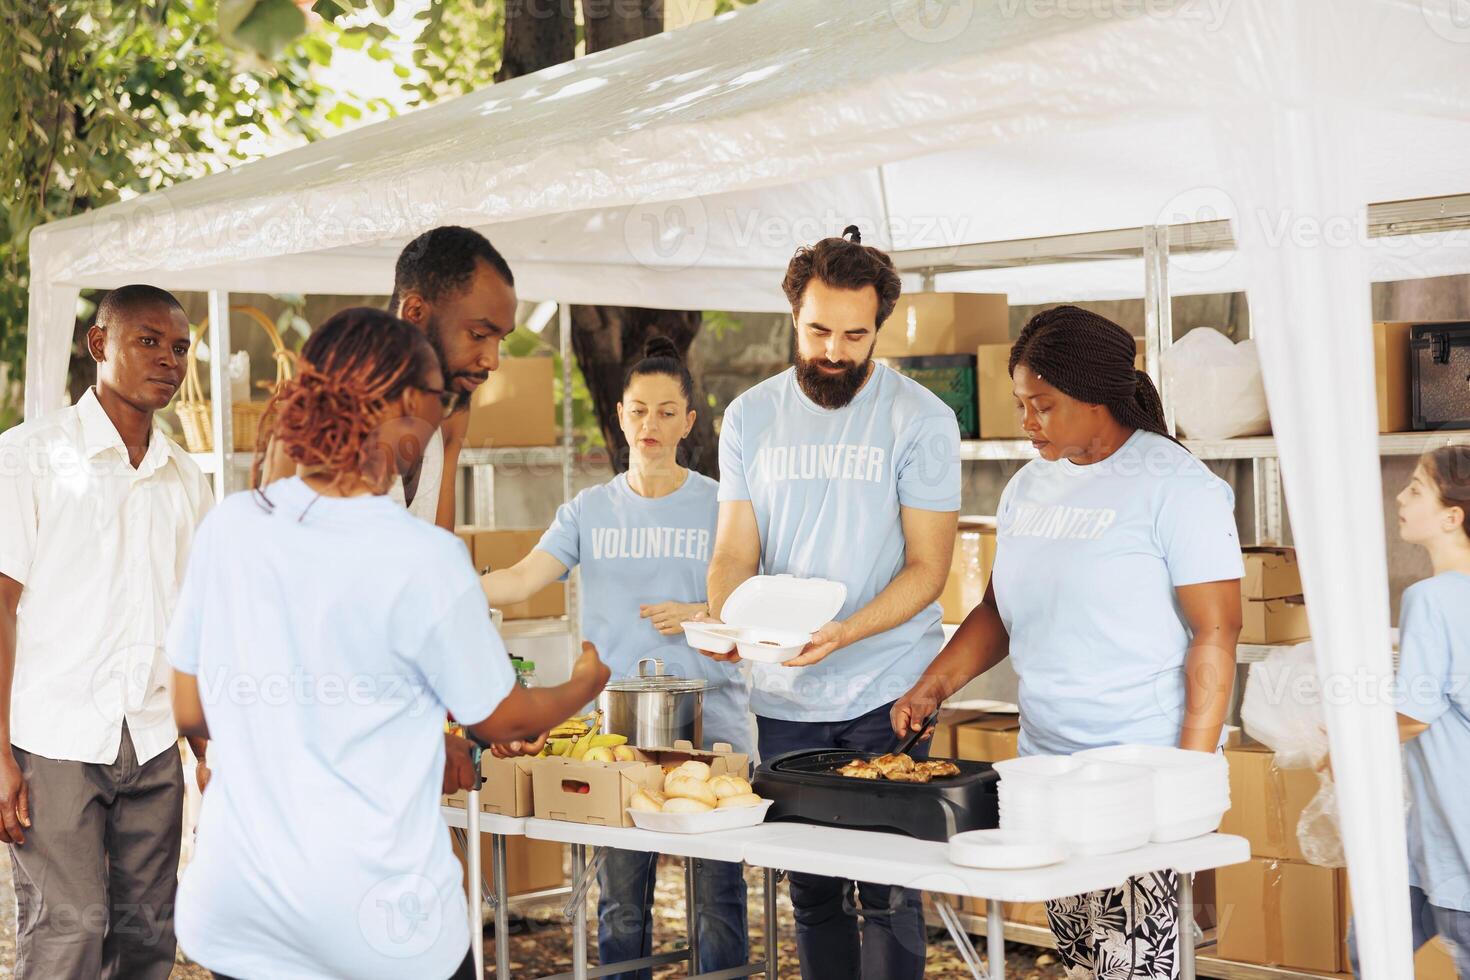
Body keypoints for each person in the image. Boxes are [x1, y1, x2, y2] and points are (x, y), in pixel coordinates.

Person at [166, 308, 610, 980]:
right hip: (374, 923)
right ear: (406, 404)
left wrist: (408, 739)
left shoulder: (230, 526)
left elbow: (191, 710)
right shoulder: (423, 557)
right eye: (441, 398)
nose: (447, 413)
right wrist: (585, 681)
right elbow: (505, 718)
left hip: (241, 911)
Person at [893, 305, 1243, 980]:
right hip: (1047, 775)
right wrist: (932, 684)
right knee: (1084, 961)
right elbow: (1000, 608)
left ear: (1096, 398)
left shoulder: (1176, 486)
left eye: (1042, 406)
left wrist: (1190, 774)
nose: (1027, 423)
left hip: (1139, 779)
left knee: (1135, 968)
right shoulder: (1029, 487)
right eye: (1021, 404)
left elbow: (1217, 630)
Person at [701, 227, 960, 980]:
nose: (836, 351)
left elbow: (927, 569)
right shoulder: (749, 415)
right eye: (819, 330)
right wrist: (730, 621)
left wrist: (844, 633)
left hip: (886, 689)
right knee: (810, 890)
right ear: (792, 315)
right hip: (784, 692)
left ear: (880, 327)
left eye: (856, 333)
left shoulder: (920, 420)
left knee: (886, 891)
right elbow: (732, 552)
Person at [481, 336, 750, 979]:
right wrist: (431, 581)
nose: (649, 424)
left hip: (713, 727)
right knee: (621, 902)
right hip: (620, 733)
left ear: (690, 421)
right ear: (621, 416)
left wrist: (699, 612)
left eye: (665, 411)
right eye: (637, 409)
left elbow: (759, 605)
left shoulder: (725, 506)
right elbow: (520, 581)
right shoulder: (589, 510)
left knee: (718, 899)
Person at [0, 284, 214, 979]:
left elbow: (197, 627)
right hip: (53, 742)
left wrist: (205, 744)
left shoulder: (186, 478)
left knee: (149, 940)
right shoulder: (27, 457)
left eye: (180, 347)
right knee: (68, 938)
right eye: (148, 341)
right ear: (101, 345)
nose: (169, 360)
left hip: (153, 742)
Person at [260, 225, 518, 531]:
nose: (493, 360)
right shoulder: (321, 401)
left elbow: (442, 542)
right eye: (477, 334)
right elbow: (270, 546)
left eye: (499, 340)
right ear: (414, 312)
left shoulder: (453, 410)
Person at [1346, 446, 1470, 978]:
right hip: (1427, 834)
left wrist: (1348, 739)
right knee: (1368, 943)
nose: (1400, 496)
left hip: (1455, 842)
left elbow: (1415, 714)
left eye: (1416, 489)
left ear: (1452, 516)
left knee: (1370, 948)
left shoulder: (1431, 598)